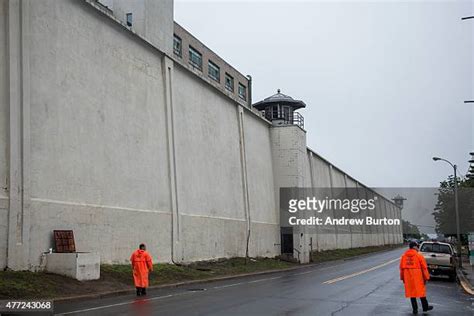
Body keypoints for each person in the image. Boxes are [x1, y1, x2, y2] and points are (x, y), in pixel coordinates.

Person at [399, 241, 433, 314]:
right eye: (417, 246)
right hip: (418, 277)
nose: (418, 248)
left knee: (412, 294)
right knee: (421, 292)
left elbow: (401, 269)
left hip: (408, 278)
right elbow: (424, 268)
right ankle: (425, 307)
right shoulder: (419, 256)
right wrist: (426, 277)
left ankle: (415, 309)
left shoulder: (404, 256)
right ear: (414, 247)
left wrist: (403, 278)